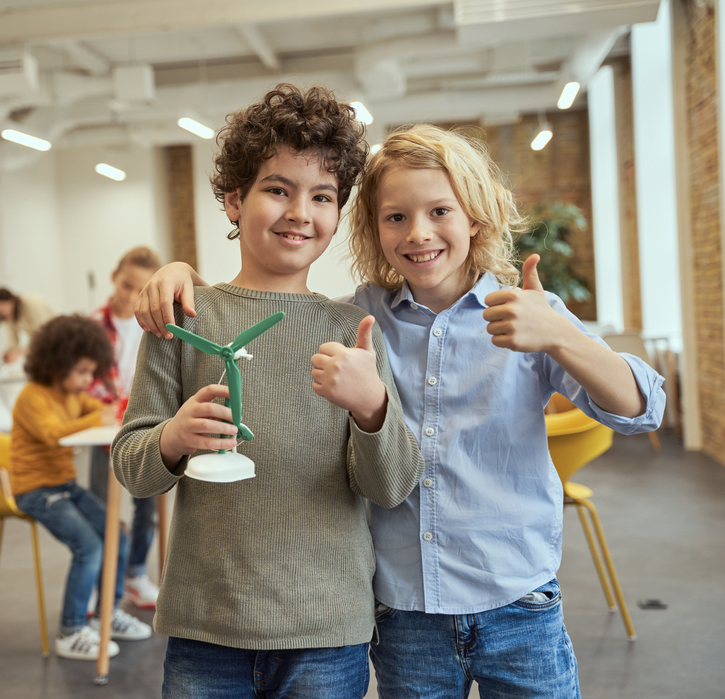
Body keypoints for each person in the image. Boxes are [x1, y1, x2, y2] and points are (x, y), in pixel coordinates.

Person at [134, 124, 667, 698]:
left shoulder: (529, 314)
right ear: (373, 229)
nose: (419, 234)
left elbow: (643, 408)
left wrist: (563, 336)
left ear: (476, 219)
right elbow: (273, 306)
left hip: (519, 600)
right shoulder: (359, 318)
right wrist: (181, 276)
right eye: (395, 217)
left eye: (441, 211)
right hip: (405, 614)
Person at [111, 84, 424, 698]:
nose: (299, 212)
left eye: (322, 196)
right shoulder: (182, 317)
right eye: (277, 189)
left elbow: (391, 486)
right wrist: (172, 438)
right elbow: (132, 469)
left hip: (326, 628)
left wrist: (370, 408)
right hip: (208, 628)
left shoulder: (349, 329)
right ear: (233, 199)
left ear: (338, 212)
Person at [10, 314, 152, 661]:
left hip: (64, 485)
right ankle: (71, 630)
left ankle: (108, 614)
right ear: (57, 363)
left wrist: (117, 409)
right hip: (36, 490)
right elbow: (53, 434)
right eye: (83, 372)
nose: (89, 380)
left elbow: (104, 410)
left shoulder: (73, 395)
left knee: (117, 535)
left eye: (92, 371)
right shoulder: (32, 397)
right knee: (89, 546)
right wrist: (99, 416)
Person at [87, 246, 163, 609]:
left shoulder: (155, 325)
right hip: (103, 429)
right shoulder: (92, 327)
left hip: (140, 425)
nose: (131, 295)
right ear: (114, 277)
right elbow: (83, 381)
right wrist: (107, 404)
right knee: (100, 506)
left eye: (140, 289)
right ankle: (99, 581)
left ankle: (134, 574)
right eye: (126, 284)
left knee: (145, 504)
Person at [0, 287, 56, 364]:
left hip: (54, 339)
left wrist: (20, 352)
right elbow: (13, 339)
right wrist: (10, 352)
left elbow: (43, 335)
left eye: (2, 306)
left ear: (11, 301)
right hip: (42, 344)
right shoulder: (9, 315)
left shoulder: (32, 304)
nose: (0, 311)